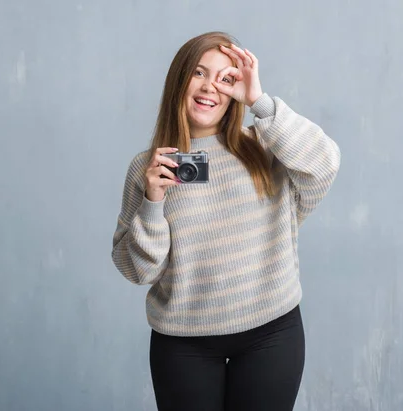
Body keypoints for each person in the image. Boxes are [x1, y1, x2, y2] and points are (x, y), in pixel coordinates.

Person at [110, 31, 341, 411]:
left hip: (271, 334)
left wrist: (260, 103)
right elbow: (137, 270)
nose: (209, 87)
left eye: (225, 78)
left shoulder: (265, 145)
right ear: (179, 80)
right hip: (183, 343)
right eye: (199, 73)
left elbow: (325, 164)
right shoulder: (148, 168)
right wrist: (153, 202)